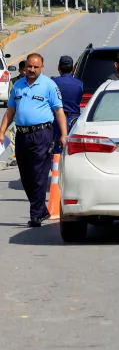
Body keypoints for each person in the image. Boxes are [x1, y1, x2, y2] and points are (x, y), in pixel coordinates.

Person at [0, 53, 68, 227]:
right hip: (22, 135)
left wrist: (63, 134)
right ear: (26, 67)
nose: (32, 70)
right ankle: (42, 209)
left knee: (39, 174)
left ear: (42, 68)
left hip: (42, 134)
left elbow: (59, 111)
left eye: (36, 67)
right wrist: (1, 131)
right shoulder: (18, 86)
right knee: (26, 176)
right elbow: (10, 111)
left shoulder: (49, 85)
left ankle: (36, 214)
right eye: (29, 66)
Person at [51, 56, 84, 154]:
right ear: (73, 68)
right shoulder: (79, 84)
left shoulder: (53, 83)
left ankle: (56, 169)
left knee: (56, 152)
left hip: (57, 120)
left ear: (58, 68)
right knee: (73, 151)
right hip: (74, 120)